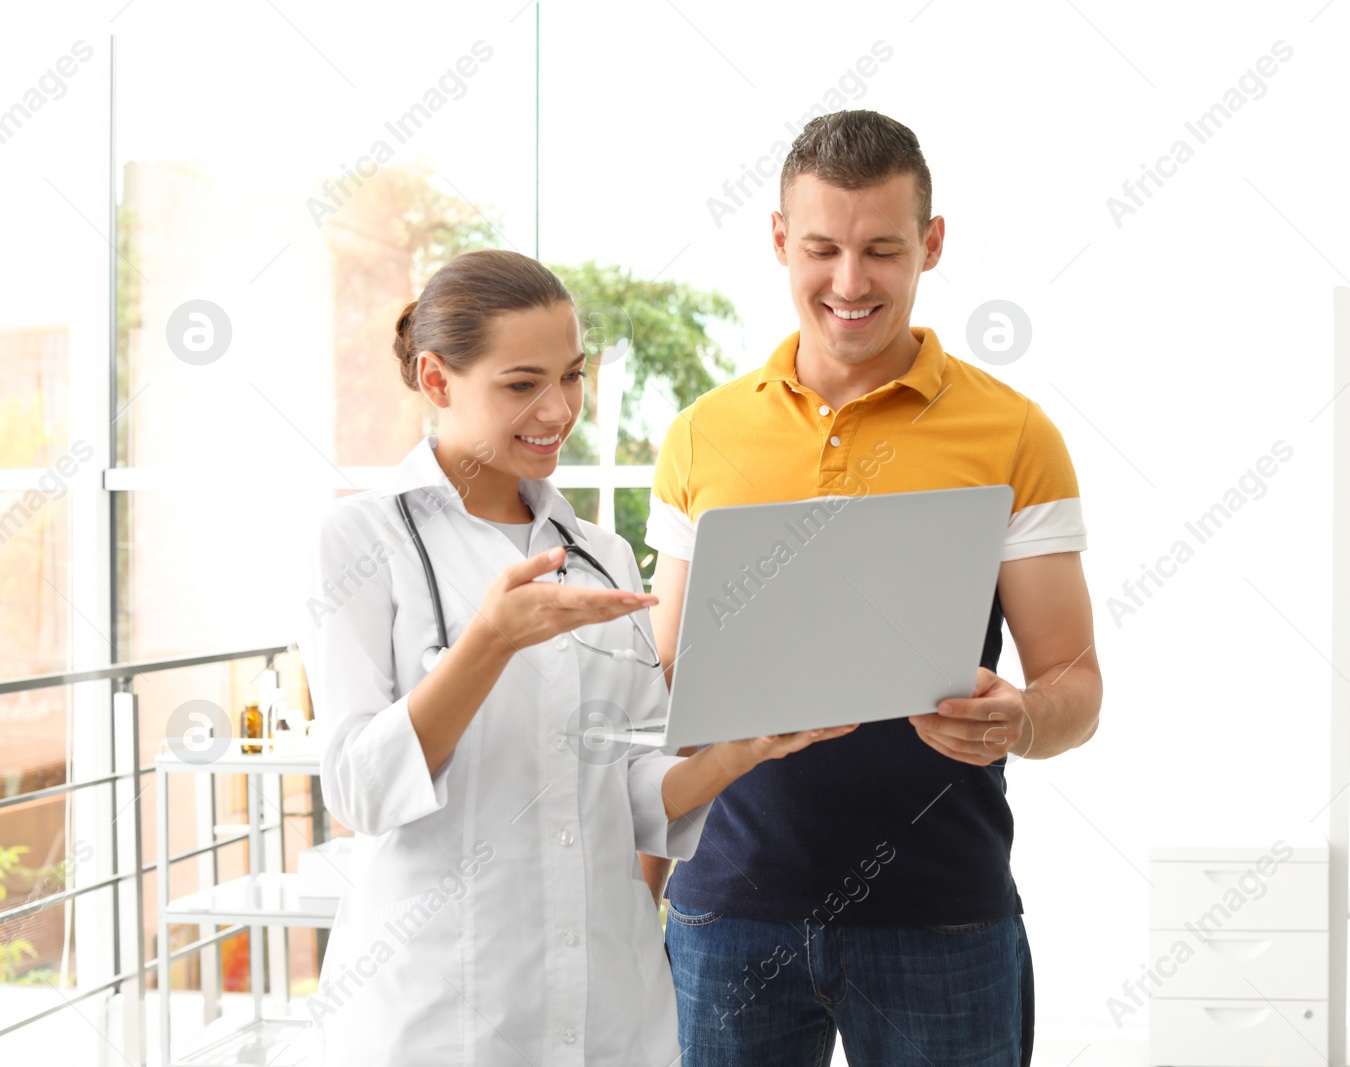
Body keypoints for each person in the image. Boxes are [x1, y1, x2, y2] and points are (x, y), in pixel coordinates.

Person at [295, 249, 855, 1066]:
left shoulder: (600, 554)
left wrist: (741, 751)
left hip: (606, 1007)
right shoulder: (362, 540)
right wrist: (488, 642)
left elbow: (634, 790)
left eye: (573, 375)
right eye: (522, 384)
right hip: (440, 1012)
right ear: (437, 379)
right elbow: (360, 791)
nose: (559, 409)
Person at [641, 111, 1104, 1066]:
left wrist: (1019, 718)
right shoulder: (702, 436)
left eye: (882, 250)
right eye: (821, 249)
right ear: (779, 241)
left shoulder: (1013, 435)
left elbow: (1075, 684)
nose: (850, 283)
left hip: (942, 914)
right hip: (727, 911)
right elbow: (663, 682)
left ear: (931, 246)